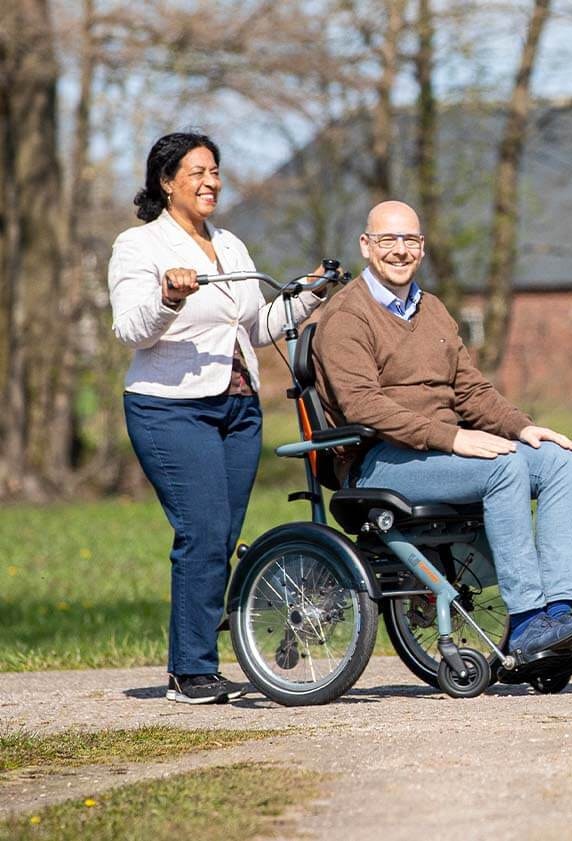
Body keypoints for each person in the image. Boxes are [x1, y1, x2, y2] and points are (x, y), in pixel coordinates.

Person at [314, 200, 572, 660]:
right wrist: (453, 438)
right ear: (366, 245)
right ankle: (525, 623)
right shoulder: (346, 318)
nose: (400, 250)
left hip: (439, 453)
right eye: (388, 240)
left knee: (559, 462)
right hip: (378, 460)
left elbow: (471, 392)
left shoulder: (433, 310)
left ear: (422, 247)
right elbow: (364, 406)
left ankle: (560, 616)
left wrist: (524, 428)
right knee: (501, 469)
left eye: (410, 240)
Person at [108, 132, 326, 704]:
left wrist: (307, 295)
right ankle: (190, 671)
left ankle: (202, 650)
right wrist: (169, 298)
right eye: (198, 172)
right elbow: (131, 329)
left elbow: (255, 325)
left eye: (216, 171)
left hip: (238, 407)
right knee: (202, 531)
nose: (211, 182)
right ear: (166, 181)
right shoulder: (139, 246)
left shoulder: (230, 244)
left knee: (222, 536)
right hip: (170, 409)